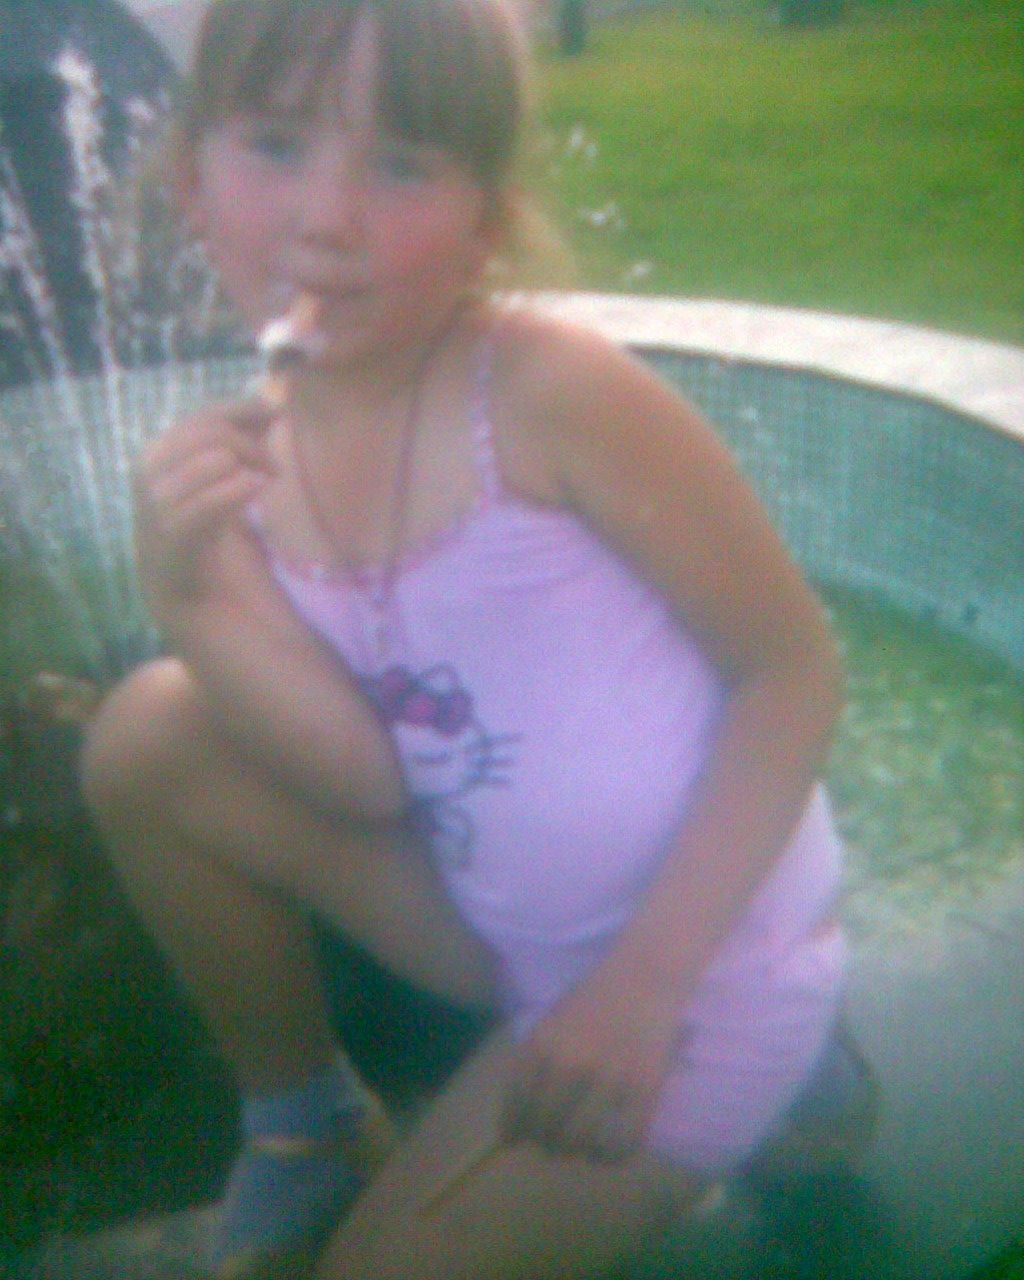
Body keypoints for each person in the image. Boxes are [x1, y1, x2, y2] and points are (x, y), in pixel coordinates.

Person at [80, 0, 855, 1275]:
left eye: (399, 163)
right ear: (189, 188)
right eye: (275, 144)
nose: (329, 218)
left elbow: (793, 668)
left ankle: (792, 1053)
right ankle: (306, 1124)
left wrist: (642, 983)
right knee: (146, 733)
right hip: (490, 918)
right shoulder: (254, 470)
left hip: (690, 964)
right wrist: (186, 590)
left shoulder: (548, 396)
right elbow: (361, 777)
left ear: (485, 221)